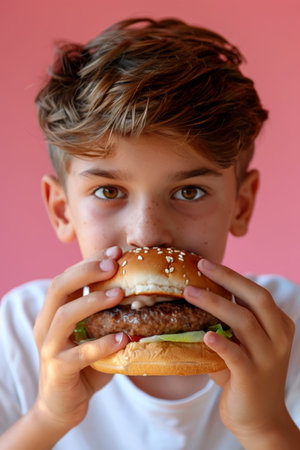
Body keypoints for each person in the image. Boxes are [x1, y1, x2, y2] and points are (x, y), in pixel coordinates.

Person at [0, 17, 299, 449]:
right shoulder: (17, 331)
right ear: (62, 209)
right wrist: (47, 417)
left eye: (189, 191)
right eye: (108, 191)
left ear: (242, 204)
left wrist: (265, 428)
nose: (148, 234)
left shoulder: (288, 327)